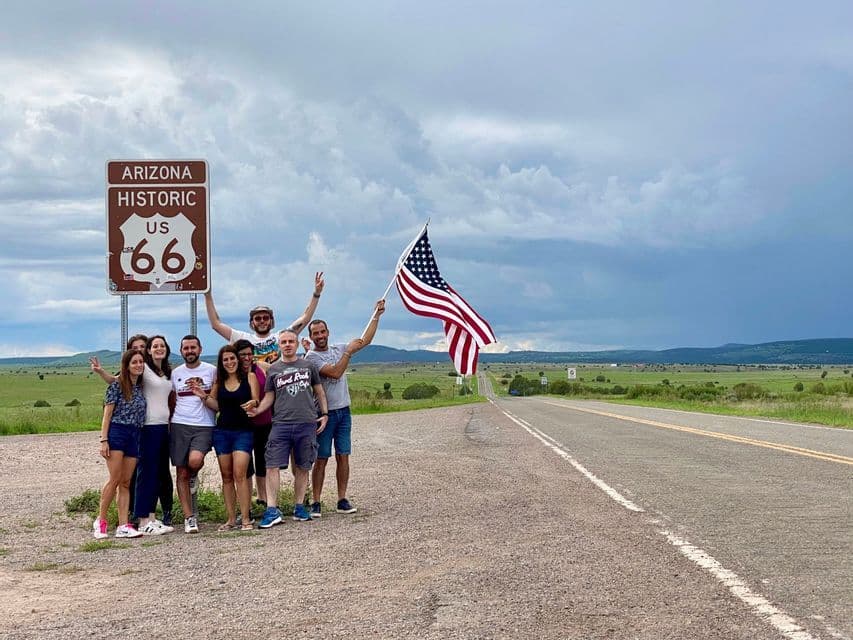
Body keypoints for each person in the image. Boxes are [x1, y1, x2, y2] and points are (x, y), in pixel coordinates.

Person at [305, 300, 385, 516]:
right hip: (324, 414)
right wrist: (347, 354)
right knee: (321, 458)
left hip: (343, 411)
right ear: (311, 337)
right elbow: (335, 372)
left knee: (343, 455)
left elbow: (365, 340)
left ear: (328, 332)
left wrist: (376, 315)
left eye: (322, 332)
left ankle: (342, 499)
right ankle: (316, 501)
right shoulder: (311, 357)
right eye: (316, 333)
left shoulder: (338, 348)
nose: (320, 336)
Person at [247, 329, 328, 527]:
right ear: (279, 345)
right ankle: (272, 509)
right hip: (281, 423)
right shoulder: (274, 369)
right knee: (272, 465)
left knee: (302, 466)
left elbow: (319, 391)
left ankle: (299, 506)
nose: (288, 345)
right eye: (283, 342)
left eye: (291, 341)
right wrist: (258, 411)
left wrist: (324, 414)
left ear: (297, 343)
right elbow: (269, 397)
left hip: (306, 422)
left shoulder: (308, 366)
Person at [193, 345, 259, 531]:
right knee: (227, 476)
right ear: (221, 363)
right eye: (225, 360)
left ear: (237, 360)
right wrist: (203, 396)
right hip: (222, 432)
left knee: (240, 474)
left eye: (232, 358)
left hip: (243, 431)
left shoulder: (249, 377)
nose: (230, 362)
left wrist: (253, 402)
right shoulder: (219, 381)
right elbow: (215, 405)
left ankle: (245, 518)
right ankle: (230, 519)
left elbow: (256, 399)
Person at [204, 272, 325, 366]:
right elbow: (216, 324)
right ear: (252, 322)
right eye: (257, 318)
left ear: (271, 321)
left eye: (265, 317)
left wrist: (316, 293)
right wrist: (207, 295)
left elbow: (306, 317)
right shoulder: (242, 338)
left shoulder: (282, 336)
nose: (262, 321)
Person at [93, 349, 147, 539]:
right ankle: (101, 521)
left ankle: (123, 524)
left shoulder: (140, 387)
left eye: (141, 362)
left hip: (135, 434)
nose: (138, 365)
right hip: (117, 432)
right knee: (115, 478)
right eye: (134, 362)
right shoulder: (117, 385)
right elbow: (107, 415)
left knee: (126, 482)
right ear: (126, 365)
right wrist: (104, 439)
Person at [170, 335, 217, 534]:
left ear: (200, 349)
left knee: (195, 461)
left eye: (193, 347)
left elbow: (217, 400)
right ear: (181, 351)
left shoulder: (212, 371)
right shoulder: (175, 373)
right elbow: (171, 399)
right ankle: (189, 517)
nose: (190, 351)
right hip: (180, 424)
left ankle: (194, 475)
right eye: (186, 348)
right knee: (181, 472)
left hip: (204, 425)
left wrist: (203, 395)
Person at [234, 339, 272, 512]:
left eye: (250, 353)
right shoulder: (233, 372)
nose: (247, 357)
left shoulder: (262, 367)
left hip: (264, 420)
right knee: (245, 464)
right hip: (242, 424)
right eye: (243, 355)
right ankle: (246, 503)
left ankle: (263, 499)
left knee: (263, 460)